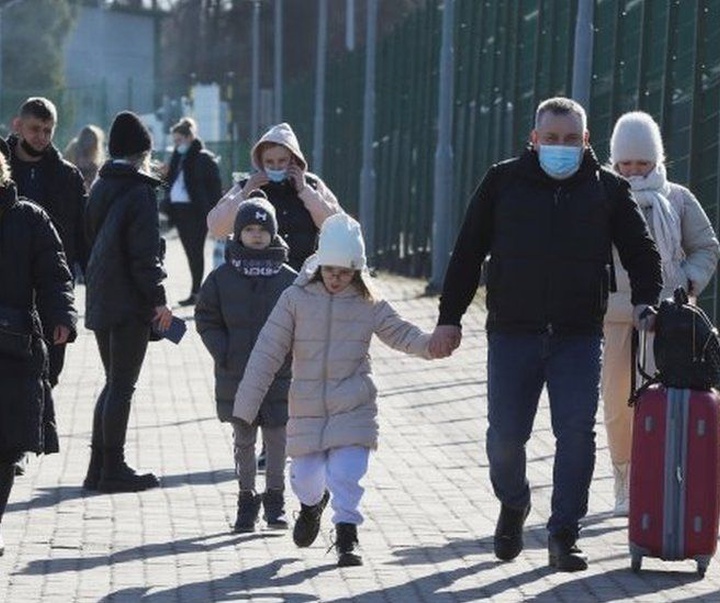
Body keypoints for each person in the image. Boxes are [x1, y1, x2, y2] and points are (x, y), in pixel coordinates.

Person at [428, 97, 663, 572]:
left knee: (576, 434)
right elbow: (467, 251)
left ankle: (564, 534)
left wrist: (646, 301)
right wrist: (450, 317)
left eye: (570, 140)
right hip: (513, 332)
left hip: (578, 335)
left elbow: (642, 252)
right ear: (534, 140)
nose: (561, 147)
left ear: (586, 142)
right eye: (551, 139)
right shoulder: (503, 181)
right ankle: (514, 502)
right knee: (504, 439)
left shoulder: (608, 190)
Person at [233, 213, 436, 567]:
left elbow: (401, 333)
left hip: (353, 404)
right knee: (305, 478)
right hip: (307, 407)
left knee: (347, 472)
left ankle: (347, 535)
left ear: (357, 271)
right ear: (319, 265)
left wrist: (431, 345)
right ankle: (312, 506)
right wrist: (245, 407)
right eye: (330, 271)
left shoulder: (369, 301)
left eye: (345, 273)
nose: (336, 279)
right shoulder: (295, 299)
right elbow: (267, 351)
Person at [602, 111, 720, 516]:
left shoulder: (678, 199)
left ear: (657, 160)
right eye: (625, 164)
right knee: (618, 401)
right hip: (617, 317)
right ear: (614, 162)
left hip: (670, 319)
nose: (634, 171)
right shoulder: (602, 196)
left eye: (642, 163)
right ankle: (624, 476)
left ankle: (669, 477)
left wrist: (687, 284)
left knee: (670, 399)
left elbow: (705, 247)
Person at [195, 190, 296, 533]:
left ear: (274, 233)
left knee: (278, 439)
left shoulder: (289, 279)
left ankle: (276, 499)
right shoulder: (221, 278)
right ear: (238, 233)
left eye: (263, 229)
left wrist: (291, 355)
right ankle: (245, 500)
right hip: (235, 372)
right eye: (249, 229)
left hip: (279, 374)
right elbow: (206, 317)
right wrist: (221, 350)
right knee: (243, 440)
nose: (256, 234)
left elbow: (303, 321)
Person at [83, 111, 173, 494]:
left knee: (112, 383)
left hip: (101, 296)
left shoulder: (101, 185)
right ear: (143, 153)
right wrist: (159, 300)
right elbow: (143, 256)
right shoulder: (139, 192)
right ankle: (113, 468)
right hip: (129, 302)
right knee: (123, 385)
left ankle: (98, 467)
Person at [0, 137, 77, 555]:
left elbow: (53, 274)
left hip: (14, 348)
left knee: (7, 447)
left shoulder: (28, 218)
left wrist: (61, 316)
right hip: (17, 342)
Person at [7, 97, 87, 389]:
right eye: (35, 129)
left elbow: (84, 236)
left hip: (51, 294)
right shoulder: (3, 172)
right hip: (8, 295)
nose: (41, 137)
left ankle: (41, 434)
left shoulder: (68, 177)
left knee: (48, 378)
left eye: (48, 130)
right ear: (18, 126)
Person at [207, 122, 342, 272]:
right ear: (260, 162)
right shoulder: (248, 185)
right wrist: (245, 194)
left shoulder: (312, 185)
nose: (276, 167)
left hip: (303, 278)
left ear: (293, 159)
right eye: (269, 162)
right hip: (258, 278)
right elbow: (217, 228)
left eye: (282, 161)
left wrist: (305, 191)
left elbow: (337, 226)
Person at [165, 117, 222, 306]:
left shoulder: (203, 158)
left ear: (190, 137)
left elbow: (214, 187)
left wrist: (213, 212)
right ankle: (195, 291)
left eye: (179, 140)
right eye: (175, 141)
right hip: (179, 211)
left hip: (196, 211)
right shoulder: (177, 157)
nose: (177, 144)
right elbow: (171, 182)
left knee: (196, 252)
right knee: (190, 253)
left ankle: (197, 292)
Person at [64, 124, 106, 192]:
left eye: (90, 139)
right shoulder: (74, 148)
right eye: (86, 138)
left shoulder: (95, 160)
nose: (88, 142)